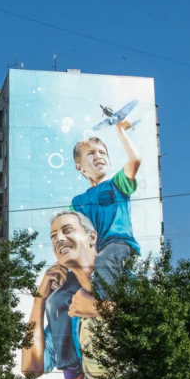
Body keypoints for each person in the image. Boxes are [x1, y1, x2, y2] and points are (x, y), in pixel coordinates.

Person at [21, 211, 135, 379]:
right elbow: (31, 368)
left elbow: (151, 321)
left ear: (92, 237)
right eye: (53, 236)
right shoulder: (62, 302)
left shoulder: (121, 275)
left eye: (67, 230)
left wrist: (97, 309)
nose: (59, 239)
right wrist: (40, 298)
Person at [70, 117, 142, 299]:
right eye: (91, 153)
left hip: (120, 245)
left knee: (103, 261)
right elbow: (76, 234)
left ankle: (110, 312)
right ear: (80, 167)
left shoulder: (117, 184)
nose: (99, 156)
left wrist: (121, 130)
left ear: (109, 162)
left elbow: (135, 160)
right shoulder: (78, 201)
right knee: (63, 293)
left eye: (103, 153)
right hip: (96, 253)